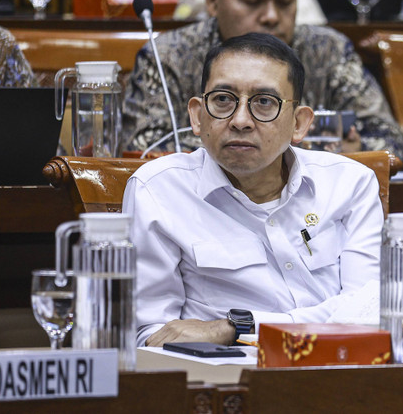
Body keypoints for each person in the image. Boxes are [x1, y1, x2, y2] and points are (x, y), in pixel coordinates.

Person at [122, 32, 383, 347]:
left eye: (264, 102)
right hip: (223, 377)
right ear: (196, 115)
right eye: (222, 100)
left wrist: (236, 327)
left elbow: (369, 312)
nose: (241, 120)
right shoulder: (157, 192)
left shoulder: (350, 184)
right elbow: (148, 336)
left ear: (299, 123)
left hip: (336, 368)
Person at [122, 0, 403, 165]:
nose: (271, 16)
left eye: (285, 1)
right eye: (252, 1)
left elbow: (391, 143)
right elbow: (143, 148)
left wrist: (358, 147)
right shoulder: (169, 56)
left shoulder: (329, 50)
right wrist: (298, 147)